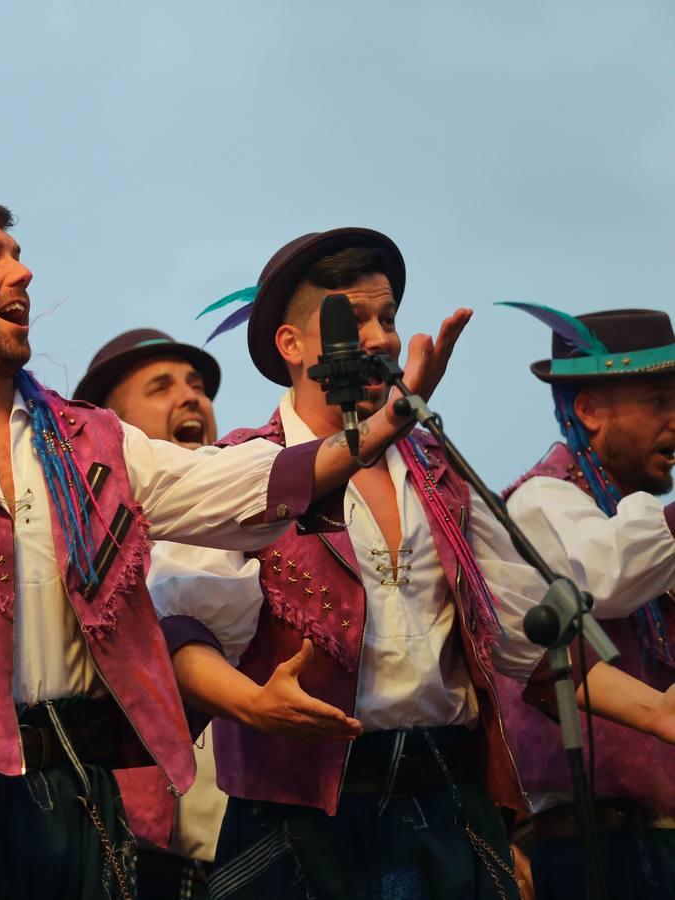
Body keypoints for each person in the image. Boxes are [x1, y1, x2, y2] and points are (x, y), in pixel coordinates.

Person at [0, 187, 426, 898]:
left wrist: (374, 433)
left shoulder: (93, 442)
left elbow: (241, 482)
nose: (22, 274)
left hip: (77, 795)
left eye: (19, 257)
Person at [153, 228, 675, 899]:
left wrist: (660, 712)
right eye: (353, 317)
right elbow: (180, 629)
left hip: (448, 809)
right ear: (292, 345)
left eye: (389, 317)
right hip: (304, 820)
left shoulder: (443, 474)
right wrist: (253, 705)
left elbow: (528, 639)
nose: (379, 337)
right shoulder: (242, 469)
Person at [496, 305, 675, 899]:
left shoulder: (635, 514)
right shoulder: (541, 502)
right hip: (586, 848)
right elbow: (611, 575)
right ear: (589, 409)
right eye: (658, 401)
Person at [74, 328, 228, 899]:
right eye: (160, 387)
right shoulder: (76, 547)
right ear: (110, 426)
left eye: (196, 386)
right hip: (134, 847)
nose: (190, 398)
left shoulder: (261, 531)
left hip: (256, 834)